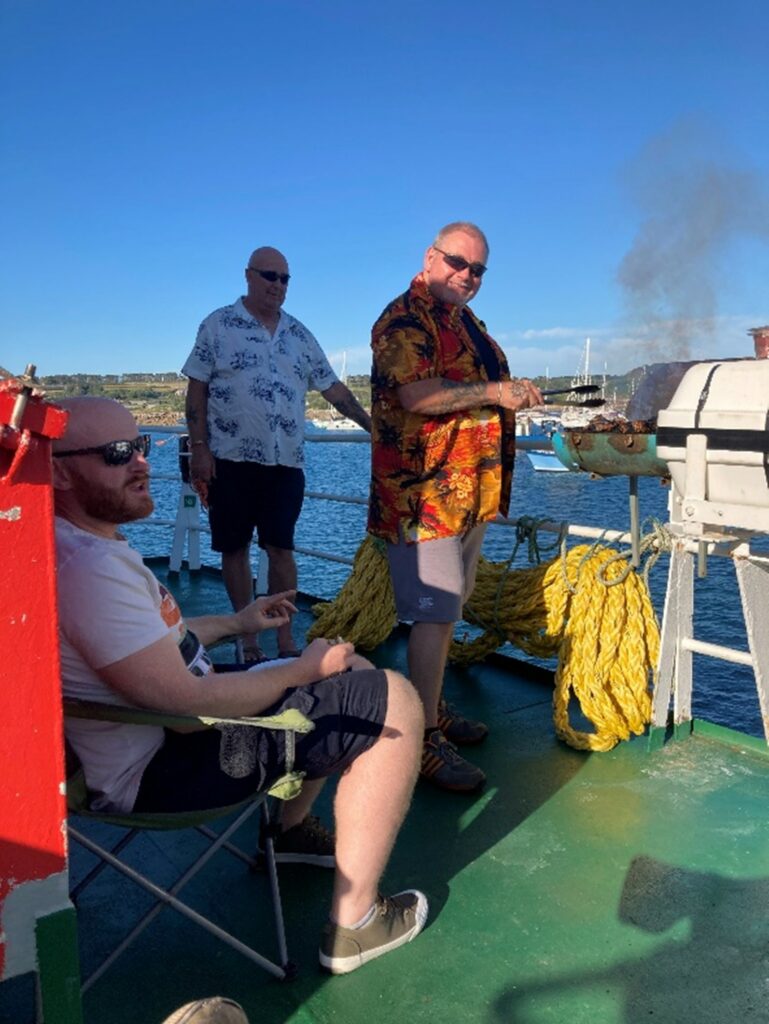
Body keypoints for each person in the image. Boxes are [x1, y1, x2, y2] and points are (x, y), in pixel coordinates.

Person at [53, 397, 427, 974]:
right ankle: (355, 927)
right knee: (394, 697)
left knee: (349, 673)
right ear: (57, 471)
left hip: (161, 733)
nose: (141, 463)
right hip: (160, 765)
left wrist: (239, 621)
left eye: (141, 446)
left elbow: (153, 643)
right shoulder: (89, 570)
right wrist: (302, 672)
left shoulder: (75, 546)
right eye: (116, 453)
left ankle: (291, 833)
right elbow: (182, 707)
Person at [368, 222, 543, 794]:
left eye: (478, 270)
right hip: (423, 496)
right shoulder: (403, 320)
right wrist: (495, 393)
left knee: (450, 608)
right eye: (458, 263)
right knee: (435, 612)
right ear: (430, 256)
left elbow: (482, 385)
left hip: (466, 494)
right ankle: (419, 742)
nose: (467, 276)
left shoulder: (467, 323)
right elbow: (416, 395)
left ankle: (434, 708)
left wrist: (510, 387)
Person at [182, 247, 371, 660]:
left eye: (285, 279)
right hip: (229, 459)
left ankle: (285, 640)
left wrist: (373, 427)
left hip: (285, 463)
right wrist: (199, 448)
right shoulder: (217, 325)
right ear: (248, 276)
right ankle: (247, 638)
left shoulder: (300, 335)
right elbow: (196, 386)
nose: (278, 285)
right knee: (234, 549)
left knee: (281, 549)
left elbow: (333, 389)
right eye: (270, 276)